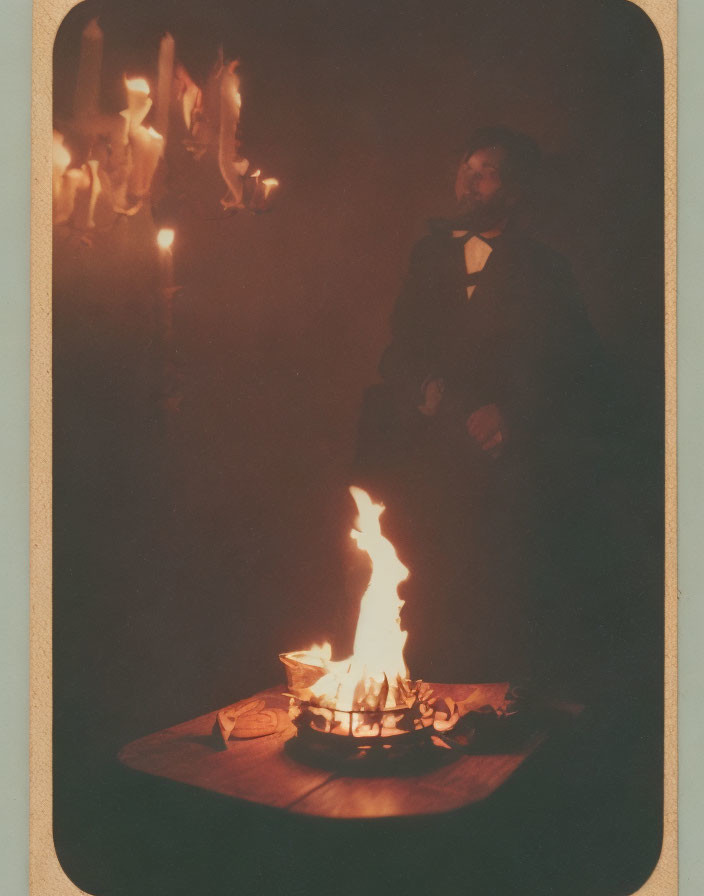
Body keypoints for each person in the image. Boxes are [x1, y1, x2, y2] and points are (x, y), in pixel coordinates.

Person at [353, 126, 613, 691]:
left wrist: (512, 415)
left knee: (495, 609)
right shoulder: (428, 256)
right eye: (465, 169)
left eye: (485, 172)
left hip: (506, 477)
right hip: (430, 471)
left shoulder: (548, 270)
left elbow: (582, 373)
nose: (468, 182)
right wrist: (419, 386)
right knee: (424, 602)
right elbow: (398, 351)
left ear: (515, 192)